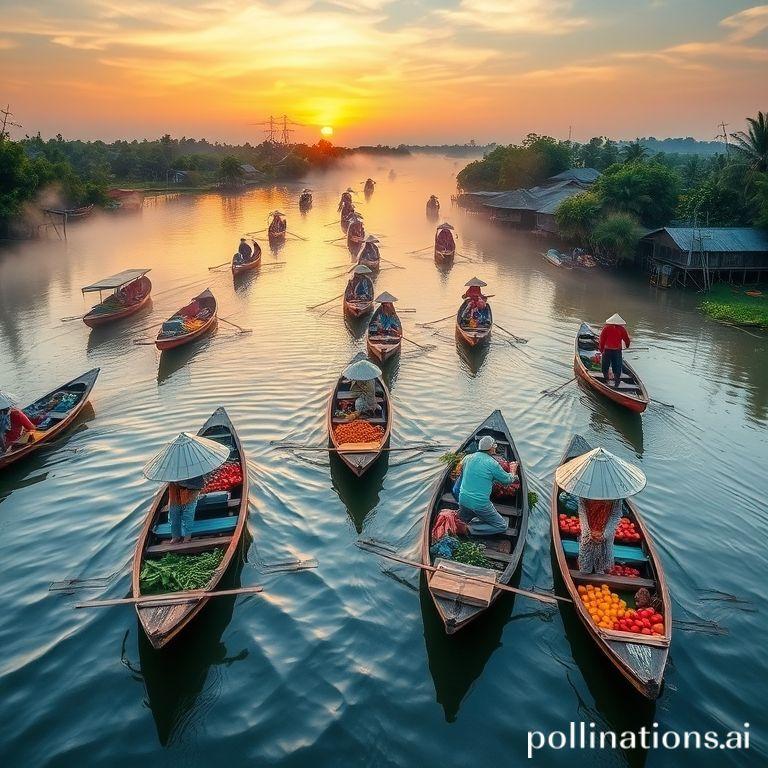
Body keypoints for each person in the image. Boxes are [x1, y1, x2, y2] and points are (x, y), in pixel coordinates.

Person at [554, 445, 646, 575]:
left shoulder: (615, 495)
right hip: (588, 532)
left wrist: (604, 534)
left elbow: (615, 516)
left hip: (606, 532)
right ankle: (585, 572)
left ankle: (599, 573)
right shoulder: (584, 491)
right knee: (585, 562)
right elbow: (582, 513)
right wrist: (588, 531)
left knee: (601, 565)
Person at [456, 436, 517, 536]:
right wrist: (513, 469)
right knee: (502, 526)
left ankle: (465, 523)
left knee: (464, 518)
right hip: (480, 504)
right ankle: (469, 529)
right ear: (491, 448)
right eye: (495, 446)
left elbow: (461, 472)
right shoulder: (493, 464)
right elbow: (507, 481)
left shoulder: (467, 458)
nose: (495, 448)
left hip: (463, 500)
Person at [168, 476, 204, 544]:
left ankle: (187, 537)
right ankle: (175, 536)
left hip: (192, 486)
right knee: (174, 512)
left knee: (188, 512)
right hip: (174, 485)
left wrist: (181, 482)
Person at [599, 313, 631, 387]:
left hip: (607, 350)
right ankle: (617, 382)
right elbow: (626, 339)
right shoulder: (622, 329)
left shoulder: (606, 328)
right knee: (617, 366)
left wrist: (601, 350)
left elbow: (601, 340)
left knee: (605, 366)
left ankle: (606, 380)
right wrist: (627, 346)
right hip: (617, 351)